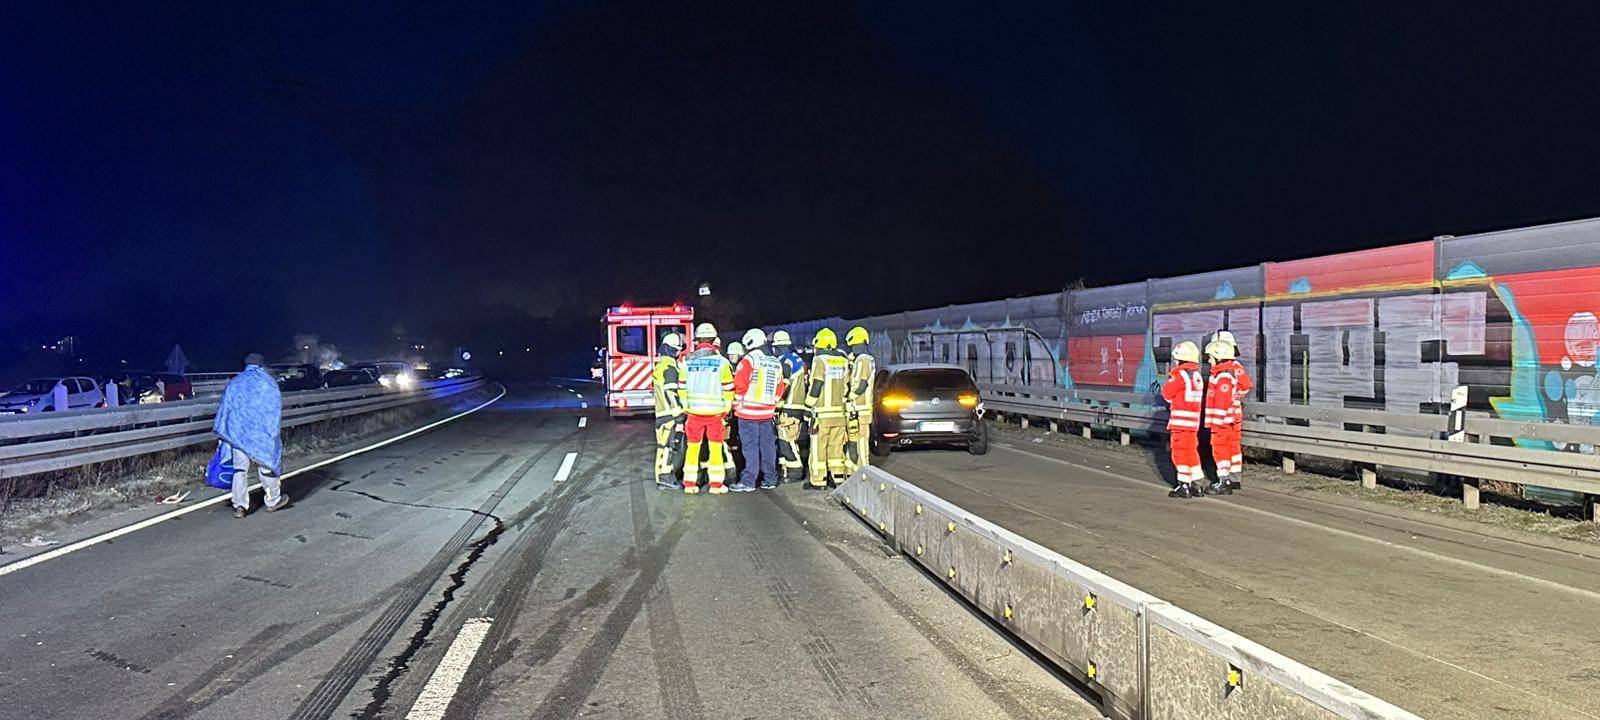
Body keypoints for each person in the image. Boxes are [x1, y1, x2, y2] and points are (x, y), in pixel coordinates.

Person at [214, 353, 288, 517]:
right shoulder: (268, 383)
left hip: (238, 435)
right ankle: (273, 500)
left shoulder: (235, 383)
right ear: (261, 365)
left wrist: (227, 432)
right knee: (267, 466)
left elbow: (226, 409)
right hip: (261, 435)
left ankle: (240, 506)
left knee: (239, 470)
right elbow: (274, 409)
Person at [679, 323, 735, 494]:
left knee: (693, 448)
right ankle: (716, 485)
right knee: (715, 449)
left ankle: (689, 483)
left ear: (697, 340)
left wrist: (686, 408)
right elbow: (728, 389)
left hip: (694, 413)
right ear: (713, 339)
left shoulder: (686, 361)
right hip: (715, 414)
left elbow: (681, 387)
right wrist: (726, 410)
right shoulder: (722, 362)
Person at [730, 329, 786, 491]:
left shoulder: (749, 359)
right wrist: (772, 404)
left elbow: (740, 384)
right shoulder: (775, 362)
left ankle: (748, 481)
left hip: (748, 412)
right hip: (767, 413)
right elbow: (780, 386)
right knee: (767, 446)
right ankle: (770, 479)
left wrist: (737, 406)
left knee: (750, 447)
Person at [803, 328, 852, 489]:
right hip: (839, 413)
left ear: (819, 344)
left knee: (818, 447)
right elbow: (847, 386)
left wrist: (808, 405)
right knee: (836, 447)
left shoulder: (819, 360)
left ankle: (818, 481)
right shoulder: (844, 360)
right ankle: (837, 478)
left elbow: (816, 384)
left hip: (821, 414)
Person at [1204, 334, 1252, 493]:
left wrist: (1216, 421)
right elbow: (1245, 386)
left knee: (1221, 447)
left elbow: (1221, 400)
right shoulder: (1234, 368)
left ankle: (1225, 479)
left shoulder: (1224, 372)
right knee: (1233, 446)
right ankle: (1234, 478)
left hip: (1224, 418)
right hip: (1233, 415)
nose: (1208, 360)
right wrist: (1236, 397)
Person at [1160, 341, 1205, 499]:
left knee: (1179, 453)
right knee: (1192, 451)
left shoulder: (1179, 375)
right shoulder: (1197, 376)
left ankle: (1184, 485)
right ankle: (1197, 483)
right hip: (1193, 423)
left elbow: (1166, 393)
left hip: (1180, 422)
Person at [772, 330, 808, 483]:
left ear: (778, 347)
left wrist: (776, 400)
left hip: (788, 406)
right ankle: (786, 471)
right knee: (789, 439)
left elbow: (784, 384)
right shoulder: (798, 360)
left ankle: (794, 471)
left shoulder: (785, 361)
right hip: (798, 405)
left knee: (786, 440)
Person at [652, 332, 687, 489]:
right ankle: (665, 477)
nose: (680, 354)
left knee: (663, 446)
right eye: (678, 350)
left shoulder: (661, 365)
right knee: (669, 447)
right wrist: (679, 417)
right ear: (673, 350)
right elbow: (671, 393)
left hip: (662, 414)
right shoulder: (670, 368)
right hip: (669, 415)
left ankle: (663, 477)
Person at [843, 325, 875, 471]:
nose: (852, 349)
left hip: (861, 409)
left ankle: (864, 470)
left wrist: (849, 397)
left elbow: (862, 384)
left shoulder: (864, 360)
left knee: (861, 441)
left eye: (853, 346)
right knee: (854, 440)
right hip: (857, 409)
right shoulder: (860, 360)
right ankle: (853, 469)